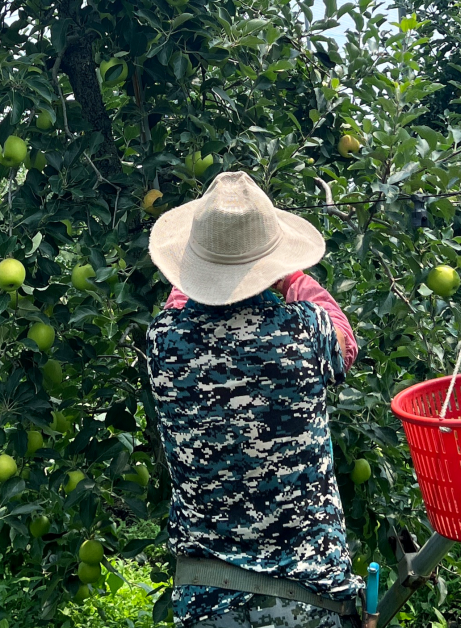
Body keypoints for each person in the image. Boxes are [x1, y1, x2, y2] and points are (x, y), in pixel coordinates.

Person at [146, 171, 364, 628]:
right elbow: (345, 342)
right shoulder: (304, 329)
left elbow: (181, 303)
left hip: (208, 597)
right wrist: (291, 277)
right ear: (273, 264)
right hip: (310, 596)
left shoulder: (164, 342)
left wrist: (200, 274)